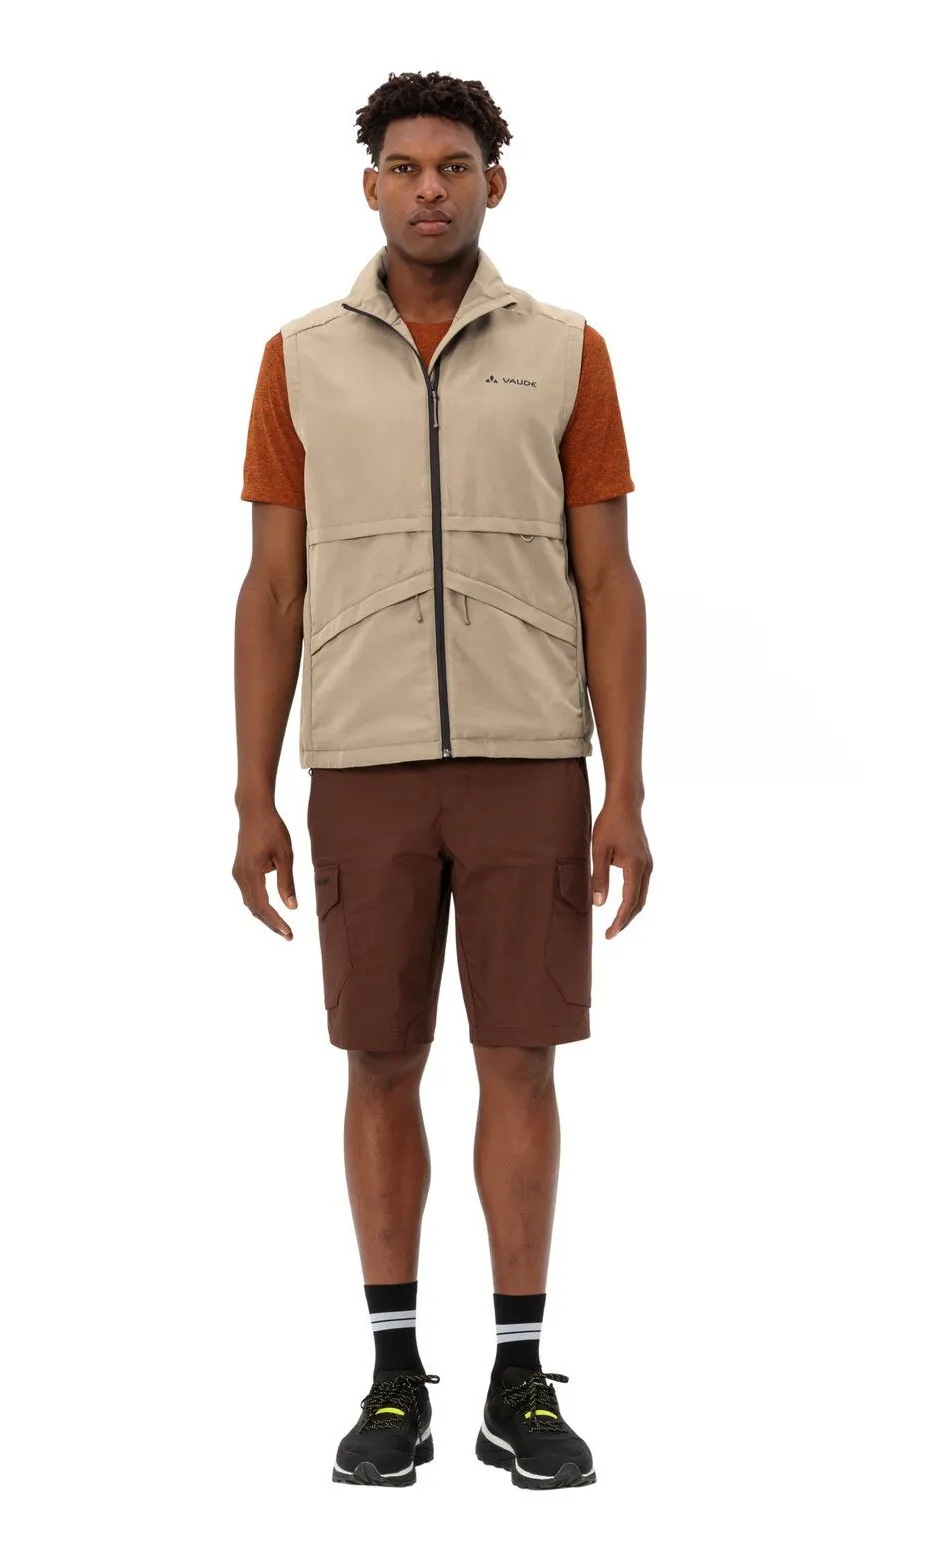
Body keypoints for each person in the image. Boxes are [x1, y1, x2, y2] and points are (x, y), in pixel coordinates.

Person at [232, 69, 651, 1490]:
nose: (430, 190)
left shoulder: (569, 351)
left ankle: (518, 1380)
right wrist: (251, 795)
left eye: (454, 166)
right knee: (380, 1061)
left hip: (530, 756)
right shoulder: (297, 359)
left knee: (521, 1057)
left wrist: (625, 789)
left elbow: (609, 577)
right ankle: (395, 1374)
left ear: (494, 183)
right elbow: (271, 587)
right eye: (405, 168)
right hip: (362, 758)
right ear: (371, 187)